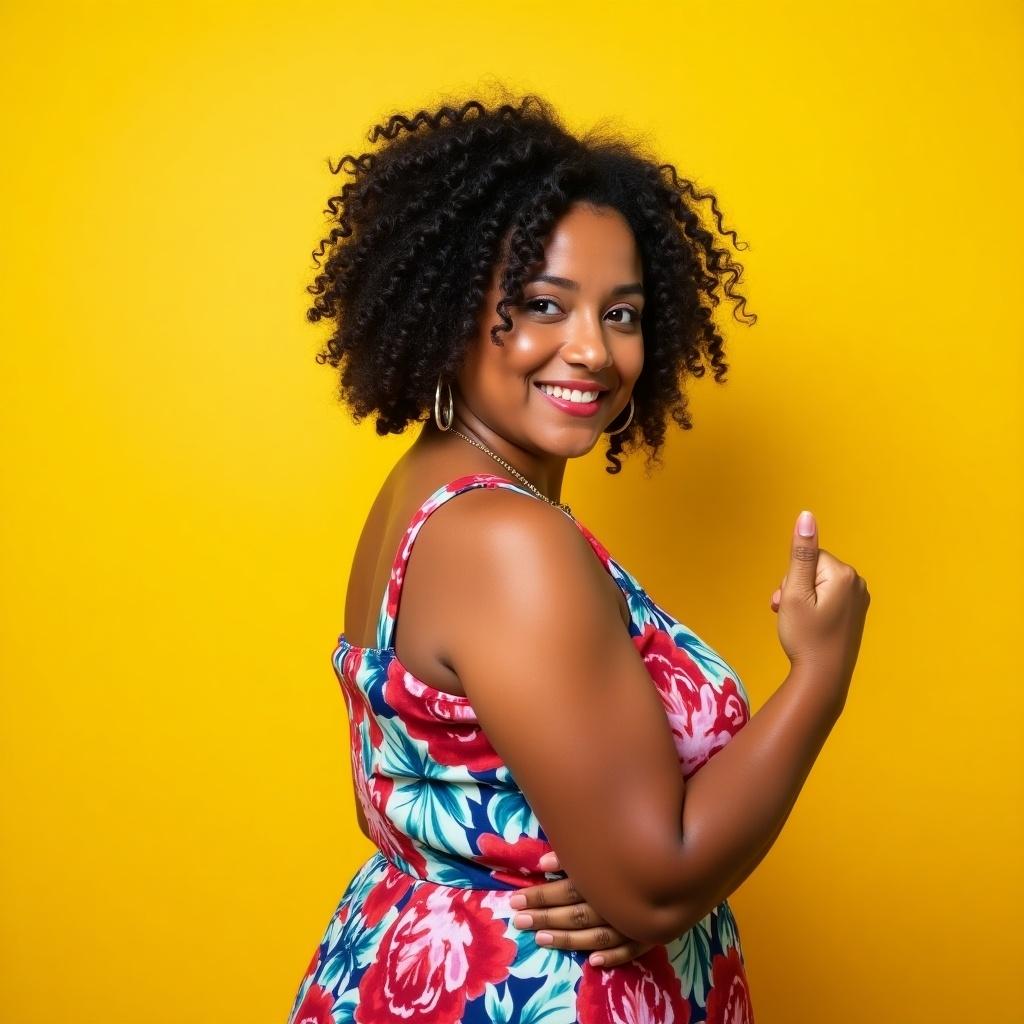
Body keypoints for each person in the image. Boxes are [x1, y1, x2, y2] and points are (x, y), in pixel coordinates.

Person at [286, 89, 870, 1024]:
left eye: (624, 314)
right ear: (448, 308)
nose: (592, 351)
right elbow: (654, 884)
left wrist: (609, 871)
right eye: (542, 304)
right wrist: (821, 676)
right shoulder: (510, 542)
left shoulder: (429, 490)